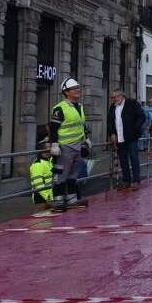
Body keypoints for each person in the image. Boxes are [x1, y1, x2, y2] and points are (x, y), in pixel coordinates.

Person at [48, 78, 91, 212]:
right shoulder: (59, 108)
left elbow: (81, 125)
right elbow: (53, 128)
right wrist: (54, 144)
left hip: (77, 146)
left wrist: (86, 139)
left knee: (73, 174)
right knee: (60, 174)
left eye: (78, 87)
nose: (78, 90)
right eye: (74, 88)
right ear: (66, 92)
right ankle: (58, 201)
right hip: (64, 147)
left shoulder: (80, 107)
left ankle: (72, 200)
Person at [107, 90, 148, 190]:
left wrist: (135, 129)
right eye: (112, 97)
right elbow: (110, 121)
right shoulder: (113, 107)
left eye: (114, 97)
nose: (113, 99)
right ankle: (126, 180)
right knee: (123, 160)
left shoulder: (132, 103)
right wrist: (112, 133)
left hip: (131, 137)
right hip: (119, 138)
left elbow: (142, 117)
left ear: (121, 96)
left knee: (134, 159)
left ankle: (136, 181)